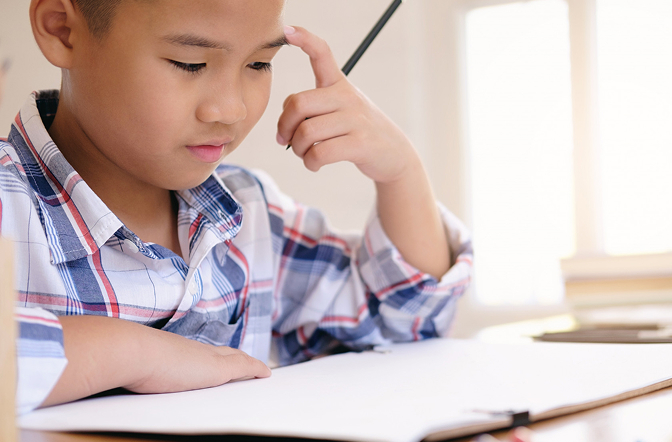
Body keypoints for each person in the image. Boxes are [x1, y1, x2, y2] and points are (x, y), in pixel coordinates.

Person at [3, 0, 472, 414]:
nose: (230, 109)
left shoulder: (249, 216)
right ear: (63, 29)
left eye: (260, 64)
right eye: (189, 63)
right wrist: (135, 353)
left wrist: (400, 173)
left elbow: (406, 323)